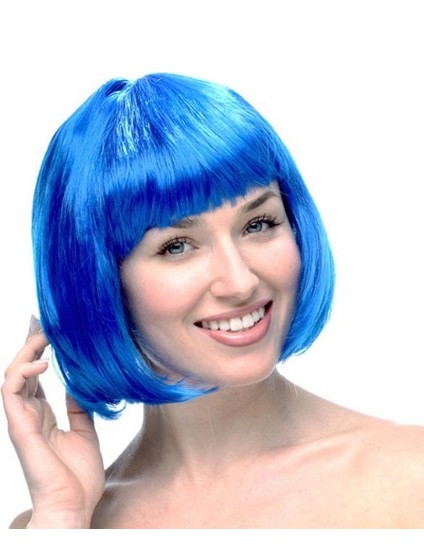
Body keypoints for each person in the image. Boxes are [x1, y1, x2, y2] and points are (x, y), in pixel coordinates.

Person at [2, 73, 424, 529]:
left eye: (258, 224)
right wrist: (62, 516)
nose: (240, 282)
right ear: (98, 281)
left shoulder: (408, 476)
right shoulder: (55, 525)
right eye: (177, 246)